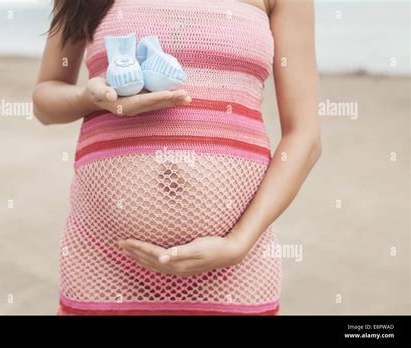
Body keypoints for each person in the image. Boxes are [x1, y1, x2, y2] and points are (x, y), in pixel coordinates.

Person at [33, 0, 321, 316]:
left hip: (234, 264)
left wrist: (238, 244)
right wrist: (89, 98)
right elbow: (45, 100)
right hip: (104, 255)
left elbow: (304, 137)